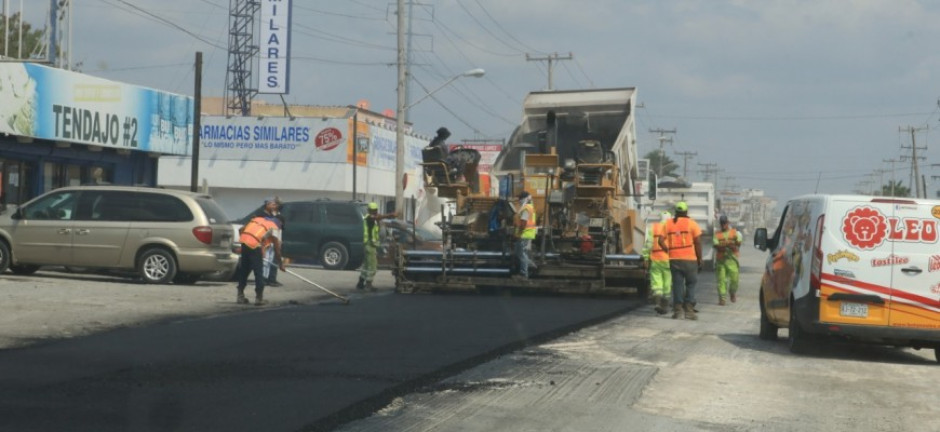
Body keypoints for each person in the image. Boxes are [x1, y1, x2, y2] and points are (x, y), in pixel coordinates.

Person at [234, 198, 286, 306]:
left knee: (244, 270)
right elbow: (277, 250)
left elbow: (241, 230)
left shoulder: (258, 219)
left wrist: (246, 243)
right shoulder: (274, 228)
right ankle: (259, 298)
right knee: (258, 272)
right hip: (254, 246)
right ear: (280, 223)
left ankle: (240, 296)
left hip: (244, 243)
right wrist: (280, 264)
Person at [659, 201, 703, 320]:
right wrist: (700, 258)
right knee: (690, 284)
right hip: (690, 260)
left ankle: (678, 311)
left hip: (674, 259)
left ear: (676, 212)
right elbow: (698, 242)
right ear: (686, 211)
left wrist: (668, 251)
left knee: (677, 285)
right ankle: (689, 310)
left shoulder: (668, 224)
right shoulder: (692, 223)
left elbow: (660, 240)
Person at [357, 202, 398, 291]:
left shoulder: (373, 218)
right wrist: (390, 215)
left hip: (370, 245)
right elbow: (375, 217)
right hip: (370, 245)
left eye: (375, 210)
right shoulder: (369, 218)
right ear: (369, 211)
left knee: (366, 265)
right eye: (372, 210)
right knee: (372, 266)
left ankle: (360, 283)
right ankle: (368, 285)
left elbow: (378, 218)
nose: (374, 212)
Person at [642, 211, 672, 315]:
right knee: (667, 284)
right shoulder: (671, 228)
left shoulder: (654, 228)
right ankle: (665, 305)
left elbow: (648, 244)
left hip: (655, 259)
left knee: (656, 282)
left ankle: (657, 303)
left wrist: (646, 257)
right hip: (668, 260)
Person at [713, 214, 743, 305]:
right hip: (721, 261)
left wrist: (732, 245)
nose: (723, 225)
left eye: (724, 223)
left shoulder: (735, 232)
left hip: (732, 261)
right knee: (722, 280)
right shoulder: (717, 234)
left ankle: (732, 292)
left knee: (734, 280)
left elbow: (738, 244)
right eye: (722, 223)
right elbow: (717, 246)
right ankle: (722, 299)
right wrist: (728, 245)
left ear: (728, 223)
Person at [513, 191, 538, 279]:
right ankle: (530, 265)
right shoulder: (530, 207)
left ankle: (524, 273)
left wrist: (518, 232)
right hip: (526, 234)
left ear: (523, 199)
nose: (519, 200)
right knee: (519, 253)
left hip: (524, 234)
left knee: (521, 254)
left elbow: (523, 223)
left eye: (520, 198)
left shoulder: (526, 208)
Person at [262, 198, 284, 287]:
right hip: (268, 241)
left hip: (275, 240)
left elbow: (279, 230)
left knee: (272, 260)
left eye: (276, 204)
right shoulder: (265, 216)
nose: (275, 206)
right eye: (274, 204)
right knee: (266, 261)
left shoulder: (279, 216)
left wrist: (279, 241)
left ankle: (271, 279)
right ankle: (264, 279)